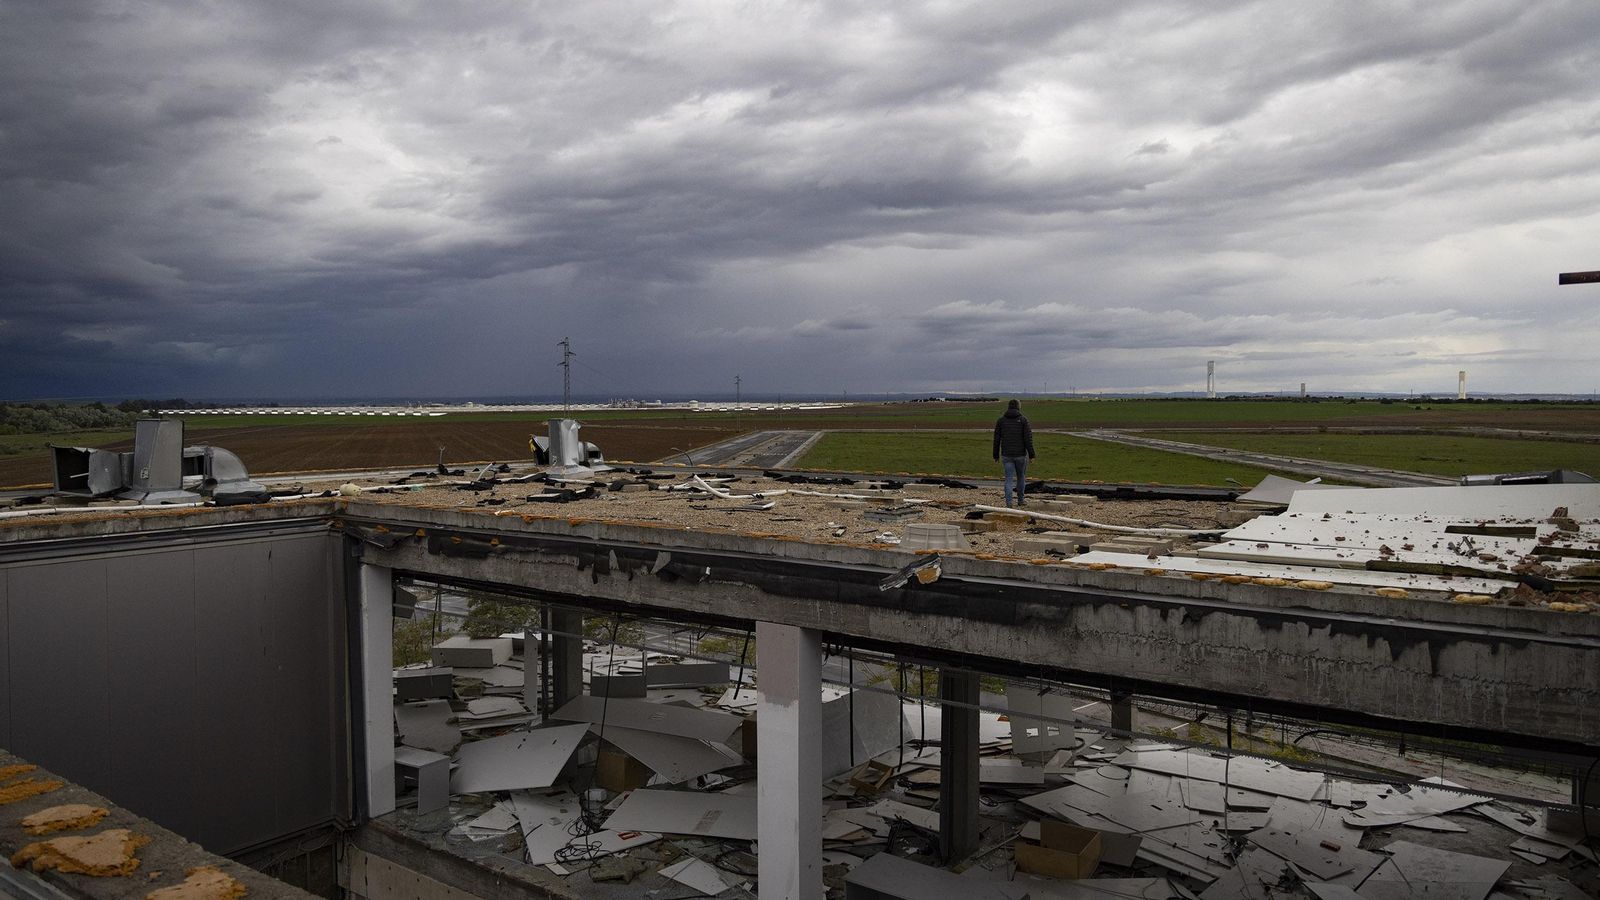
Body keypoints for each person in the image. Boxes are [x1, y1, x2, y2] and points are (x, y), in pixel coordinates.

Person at [992, 399, 1035, 507]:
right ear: (1018, 407)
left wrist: (995, 455)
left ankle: (1009, 503)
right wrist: (1032, 454)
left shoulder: (1001, 421)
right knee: (1021, 477)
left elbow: (996, 439)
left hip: (1006, 455)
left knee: (1008, 478)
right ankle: (1020, 500)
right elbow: (1028, 439)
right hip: (1020, 454)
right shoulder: (1023, 420)